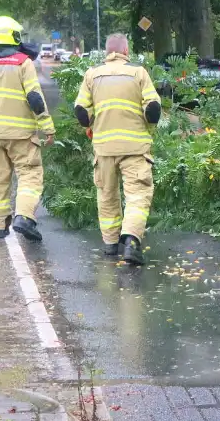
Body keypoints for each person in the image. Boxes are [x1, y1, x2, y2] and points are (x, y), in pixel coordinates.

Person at [73, 34, 162, 265]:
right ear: (126, 50)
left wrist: (91, 124)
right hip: (135, 147)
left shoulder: (92, 74)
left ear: (106, 52)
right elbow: (153, 108)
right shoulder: (138, 72)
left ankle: (111, 244)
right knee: (137, 196)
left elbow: (81, 110)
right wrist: (149, 127)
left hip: (104, 148)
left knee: (106, 195)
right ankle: (132, 242)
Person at [0, 16, 55, 241]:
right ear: (14, 36)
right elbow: (35, 98)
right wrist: (47, 127)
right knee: (29, 175)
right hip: (22, 135)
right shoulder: (22, 62)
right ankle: (24, 218)